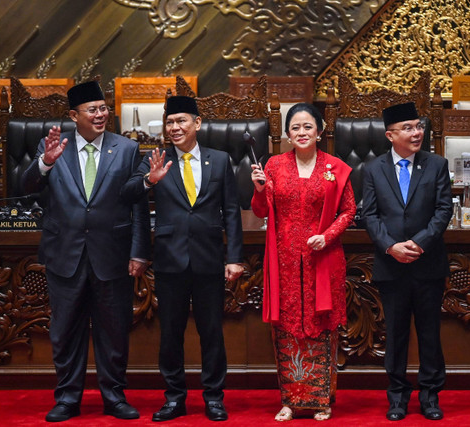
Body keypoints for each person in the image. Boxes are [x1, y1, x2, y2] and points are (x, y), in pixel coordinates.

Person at [21, 81, 150, 422]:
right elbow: (26, 186)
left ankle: (114, 397)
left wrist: (139, 252)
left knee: (114, 331)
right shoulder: (52, 146)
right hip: (65, 254)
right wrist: (45, 163)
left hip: (113, 254)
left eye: (104, 108)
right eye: (92, 110)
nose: (101, 114)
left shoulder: (126, 149)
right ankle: (67, 398)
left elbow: (136, 204)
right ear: (73, 116)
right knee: (65, 332)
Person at [120, 96, 244, 422]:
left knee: (212, 333)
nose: (174, 128)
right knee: (170, 334)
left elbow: (231, 210)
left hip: (209, 260)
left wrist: (234, 257)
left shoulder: (219, 160)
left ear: (197, 123)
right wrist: (150, 180)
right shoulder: (155, 159)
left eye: (181, 121)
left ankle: (214, 398)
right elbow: (126, 192)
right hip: (170, 260)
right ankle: (174, 398)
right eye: (169, 122)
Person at [250, 102, 356, 421]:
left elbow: (349, 210)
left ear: (320, 131)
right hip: (283, 261)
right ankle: (290, 400)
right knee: (287, 328)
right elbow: (260, 211)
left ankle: (320, 399)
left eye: (307, 126)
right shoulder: (273, 166)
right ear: (287, 134)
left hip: (322, 258)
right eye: (294, 128)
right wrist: (257, 189)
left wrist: (328, 235)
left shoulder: (335, 167)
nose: (301, 132)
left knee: (321, 327)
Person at [362, 102, 452, 422]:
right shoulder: (373, 169)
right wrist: (390, 247)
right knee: (396, 334)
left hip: (427, 264)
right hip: (391, 266)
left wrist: (419, 243)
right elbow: (369, 215)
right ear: (390, 135)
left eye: (418, 126)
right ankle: (397, 396)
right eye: (408, 128)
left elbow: (444, 211)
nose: (417, 133)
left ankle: (430, 395)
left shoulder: (437, 165)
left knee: (429, 333)